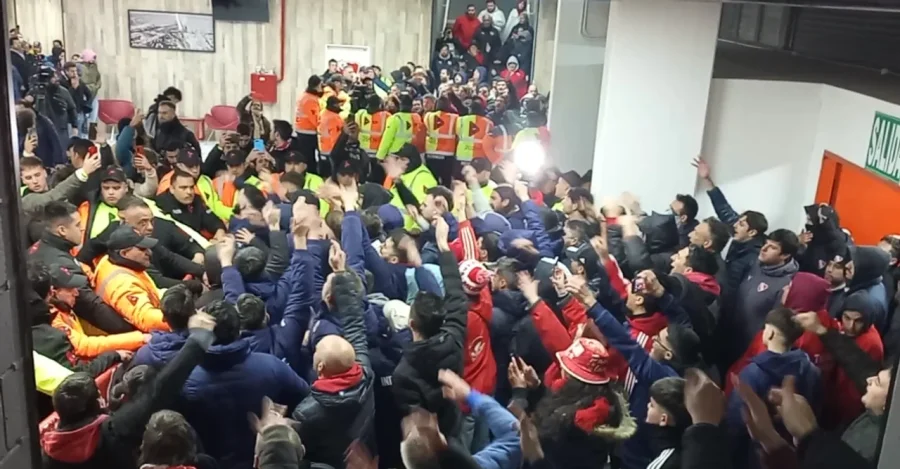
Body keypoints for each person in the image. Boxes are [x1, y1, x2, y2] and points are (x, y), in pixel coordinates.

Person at [39, 311, 217, 469]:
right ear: (98, 402)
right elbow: (160, 389)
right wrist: (198, 341)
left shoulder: (45, 455)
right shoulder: (112, 433)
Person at [179, 300, 309, 469]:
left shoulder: (185, 380)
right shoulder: (272, 367)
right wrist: (282, 425)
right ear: (239, 330)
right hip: (266, 460)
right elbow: (307, 400)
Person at [392, 218, 468, 438]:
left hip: (431, 444)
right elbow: (456, 294)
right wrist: (443, 246)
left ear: (411, 324)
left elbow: (417, 423)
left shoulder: (404, 373)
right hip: (454, 424)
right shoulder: (453, 336)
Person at [726, 307, 822, 469]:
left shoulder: (751, 374)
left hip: (760, 455)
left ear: (770, 333)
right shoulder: (813, 371)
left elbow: (737, 421)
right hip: (799, 453)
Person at [43, 263, 147, 360]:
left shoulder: (65, 308)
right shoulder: (53, 319)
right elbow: (84, 346)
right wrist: (139, 338)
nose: (76, 293)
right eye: (70, 289)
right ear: (53, 292)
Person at [728, 229, 800, 368]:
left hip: (750, 351)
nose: (764, 249)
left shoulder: (787, 284)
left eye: (772, 247)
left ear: (785, 255)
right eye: (766, 243)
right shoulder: (755, 264)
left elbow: (775, 323)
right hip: (731, 337)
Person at [92, 224, 172, 332]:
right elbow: (147, 320)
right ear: (124, 253)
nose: (149, 252)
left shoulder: (116, 261)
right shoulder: (121, 284)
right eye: (142, 249)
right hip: (139, 336)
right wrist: (183, 319)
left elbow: (153, 293)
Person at [20, 151, 100, 216]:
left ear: (44, 173)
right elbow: (51, 198)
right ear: (23, 180)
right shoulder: (26, 201)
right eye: (28, 178)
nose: (34, 181)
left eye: (37, 175)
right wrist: (83, 172)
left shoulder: (57, 182)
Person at [155, 168, 227, 240]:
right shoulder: (161, 203)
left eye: (191, 187)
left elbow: (212, 219)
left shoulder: (196, 199)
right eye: (183, 188)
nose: (189, 192)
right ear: (172, 189)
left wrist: (220, 230)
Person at [424, 96, 460, 186]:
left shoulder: (428, 116)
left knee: (431, 180)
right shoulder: (455, 118)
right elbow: (458, 133)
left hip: (431, 153)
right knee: (446, 180)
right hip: (447, 154)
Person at [377, 94, 418, 162]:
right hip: (411, 155)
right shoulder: (416, 118)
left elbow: (387, 139)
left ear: (400, 105)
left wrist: (380, 155)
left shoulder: (395, 119)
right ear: (411, 106)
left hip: (395, 155)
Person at [295, 75, 323, 169]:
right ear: (317, 85)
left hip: (301, 130)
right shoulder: (311, 99)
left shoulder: (304, 96)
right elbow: (315, 119)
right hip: (308, 133)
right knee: (310, 159)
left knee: (305, 157)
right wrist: (321, 129)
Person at [318, 96, 345, 175]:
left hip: (322, 149)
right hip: (332, 151)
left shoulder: (323, 114)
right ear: (334, 105)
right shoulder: (334, 118)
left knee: (324, 174)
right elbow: (336, 137)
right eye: (338, 104)